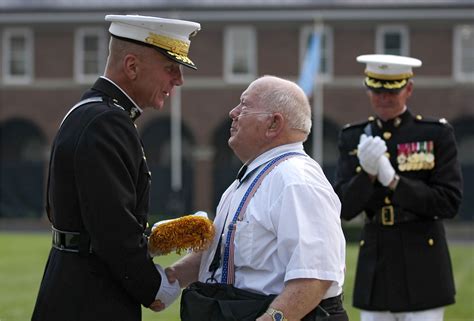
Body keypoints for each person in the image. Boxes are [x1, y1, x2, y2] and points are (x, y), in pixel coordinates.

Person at [31, 14, 200, 321]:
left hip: (77, 285)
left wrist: (163, 238)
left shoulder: (93, 113)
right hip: (90, 298)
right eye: (170, 68)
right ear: (132, 66)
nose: (179, 80)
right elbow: (112, 232)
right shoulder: (107, 123)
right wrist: (158, 288)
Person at [168, 75, 348, 321]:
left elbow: (313, 277)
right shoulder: (250, 179)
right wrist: (169, 279)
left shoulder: (296, 180)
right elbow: (221, 255)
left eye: (245, 105)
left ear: (273, 124)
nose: (233, 112)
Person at [334, 54, 463, 321]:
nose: (383, 97)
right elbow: (344, 208)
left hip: (423, 260)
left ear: (408, 89)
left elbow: (449, 202)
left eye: (392, 90)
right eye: (377, 89)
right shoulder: (353, 137)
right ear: (368, 89)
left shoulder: (435, 134)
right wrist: (367, 175)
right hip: (377, 259)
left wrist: (395, 182)